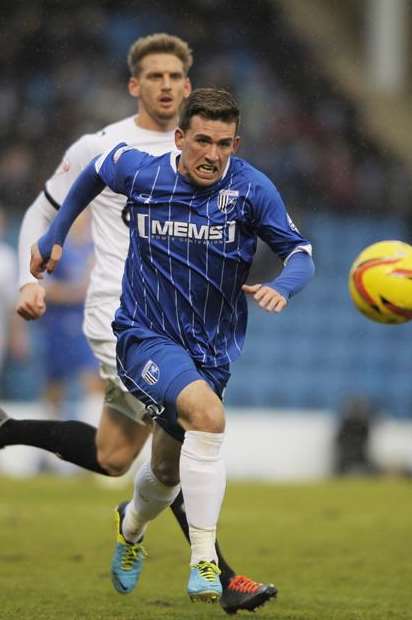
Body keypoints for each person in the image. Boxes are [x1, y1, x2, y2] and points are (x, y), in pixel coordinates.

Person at [0, 34, 276, 614]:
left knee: (116, 457)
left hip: (188, 323)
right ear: (135, 84)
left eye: (177, 76)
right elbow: (43, 210)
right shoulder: (103, 146)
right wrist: (32, 278)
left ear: (188, 82)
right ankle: (218, 573)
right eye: (155, 76)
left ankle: (11, 432)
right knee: (190, 420)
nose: (168, 86)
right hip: (120, 319)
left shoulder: (210, 153)